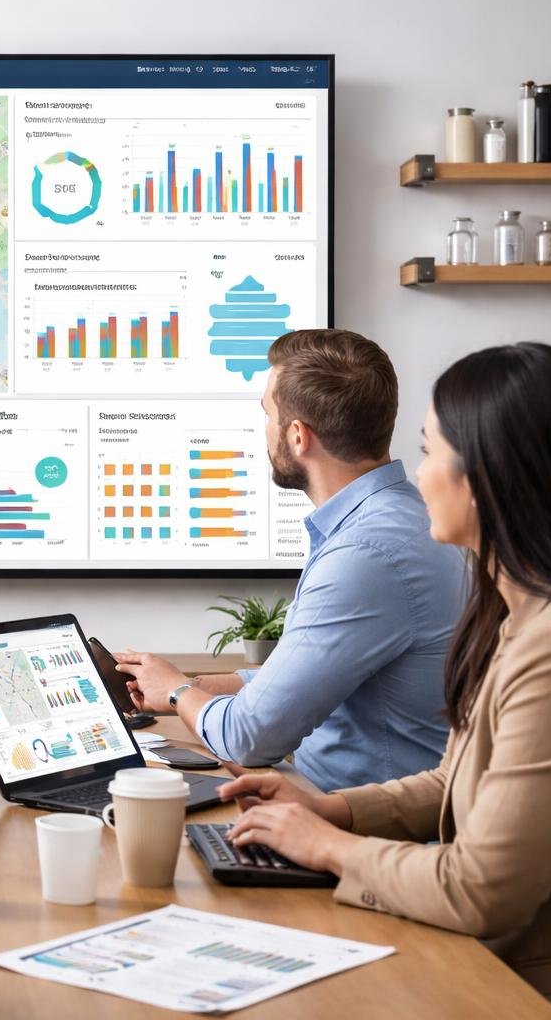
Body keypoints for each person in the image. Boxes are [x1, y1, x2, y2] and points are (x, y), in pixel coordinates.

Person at [223, 342, 551, 1016]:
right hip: (473, 958)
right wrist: (333, 809)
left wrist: (331, 847)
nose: (416, 479)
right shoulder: (513, 617)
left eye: (428, 453)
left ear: (489, 477)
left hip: (521, 989)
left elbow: (482, 889)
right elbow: (456, 780)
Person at [115, 329, 466, 790]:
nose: (264, 429)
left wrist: (180, 692)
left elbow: (249, 738)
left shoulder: (367, 554)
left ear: (298, 435)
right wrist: (186, 684)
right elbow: (303, 674)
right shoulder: (396, 519)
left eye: (267, 414)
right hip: (332, 807)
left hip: (359, 829)